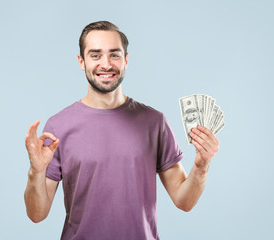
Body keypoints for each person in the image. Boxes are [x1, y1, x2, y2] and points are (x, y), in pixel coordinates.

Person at [24, 21, 220, 240]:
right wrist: (36, 172)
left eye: (114, 55)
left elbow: (184, 201)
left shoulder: (154, 122)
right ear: (81, 61)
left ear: (126, 60)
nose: (106, 64)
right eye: (95, 55)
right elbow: (37, 214)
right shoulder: (57, 127)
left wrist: (202, 166)